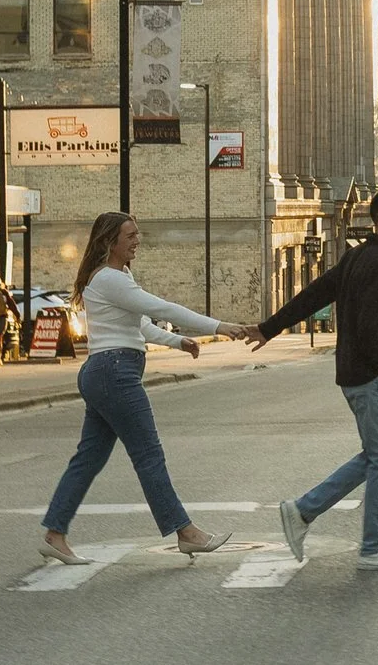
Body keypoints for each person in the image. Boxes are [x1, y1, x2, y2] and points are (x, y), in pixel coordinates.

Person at [37, 211, 232, 567]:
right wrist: (220, 326)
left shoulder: (118, 276)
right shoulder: (110, 278)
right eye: (130, 235)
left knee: (89, 459)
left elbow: (141, 325)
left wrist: (177, 341)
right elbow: (161, 307)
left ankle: (55, 534)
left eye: (137, 234)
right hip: (114, 373)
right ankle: (185, 532)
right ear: (109, 241)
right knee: (148, 455)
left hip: (104, 372)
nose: (137, 240)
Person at [243, 187, 378, 571]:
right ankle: (373, 546)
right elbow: (370, 325)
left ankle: (303, 511)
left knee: (376, 456)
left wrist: (269, 328)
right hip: (371, 377)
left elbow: (315, 293)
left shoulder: (357, 256)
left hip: (354, 375)